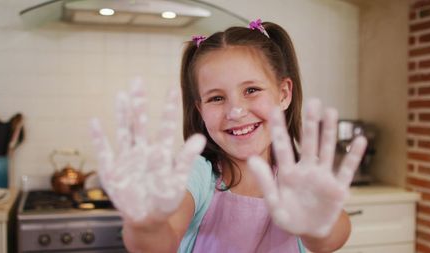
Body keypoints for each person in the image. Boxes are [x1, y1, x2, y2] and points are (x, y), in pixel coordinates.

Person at [90, 19, 367, 253]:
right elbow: (161, 241)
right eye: (217, 98)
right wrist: (145, 225)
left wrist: (318, 226)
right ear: (200, 109)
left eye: (251, 90)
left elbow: (333, 237)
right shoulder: (196, 174)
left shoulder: (300, 176)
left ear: (283, 94)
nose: (235, 111)